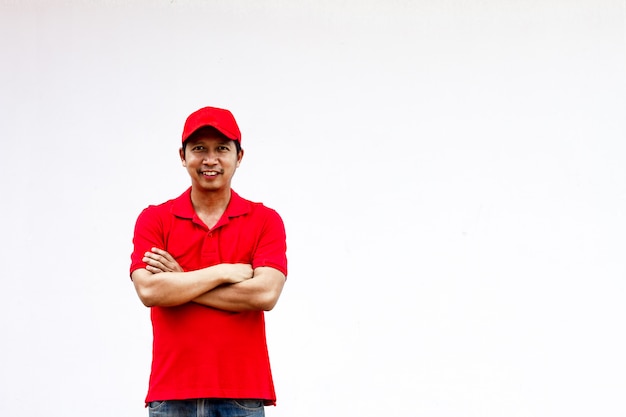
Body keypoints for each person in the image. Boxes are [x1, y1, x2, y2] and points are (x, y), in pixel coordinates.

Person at [129, 106, 288, 417]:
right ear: (183, 155)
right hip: (171, 393)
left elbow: (264, 295)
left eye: (222, 149)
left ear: (239, 157)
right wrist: (223, 272)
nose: (210, 159)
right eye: (199, 148)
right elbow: (149, 292)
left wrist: (180, 280)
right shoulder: (155, 219)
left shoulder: (265, 221)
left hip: (242, 394)